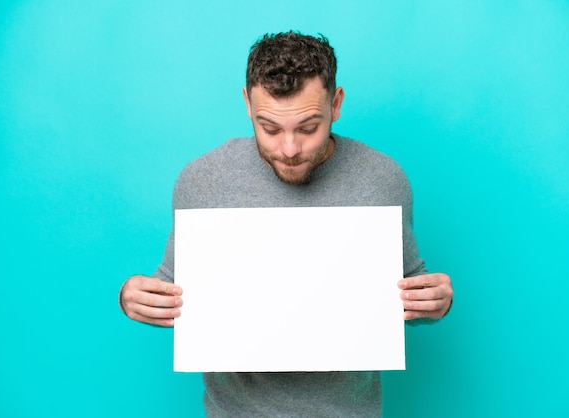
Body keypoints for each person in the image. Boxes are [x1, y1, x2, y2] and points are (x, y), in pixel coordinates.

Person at [119, 31, 453, 417]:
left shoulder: (382, 178)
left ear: (337, 103)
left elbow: (410, 292)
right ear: (247, 102)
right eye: (271, 129)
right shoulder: (203, 180)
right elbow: (172, 289)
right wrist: (133, 298)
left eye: (308, 128)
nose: (290, 149)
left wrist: (437, 302)